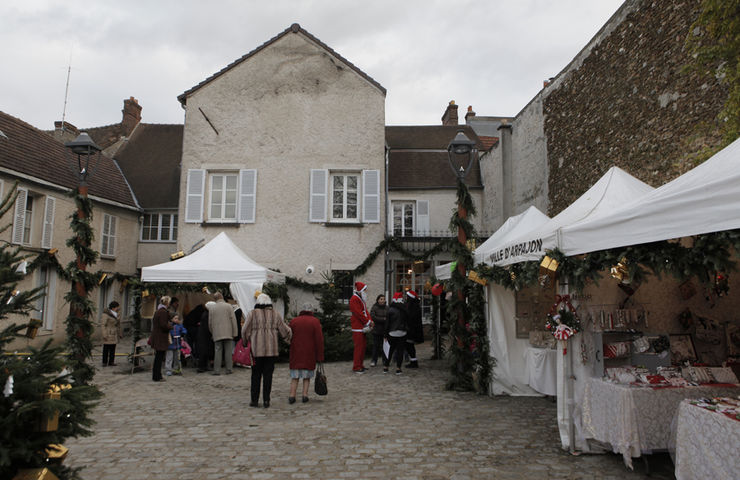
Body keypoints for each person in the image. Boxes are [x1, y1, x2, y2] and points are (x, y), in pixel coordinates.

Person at [242, 293, 292, 408]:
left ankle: (254, 400)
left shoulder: (252, 314)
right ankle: (266, 400)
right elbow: (285, 330)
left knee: (255, 375)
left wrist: (245, 342)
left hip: (256, 351)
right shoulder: (275, 314)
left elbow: (245, 330)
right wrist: (288, 340)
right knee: (268, 376)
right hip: (271, 350)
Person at [287, 303, 324, 404]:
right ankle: (304, 395)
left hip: (296, 351)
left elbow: (288, 335)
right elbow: (319, 340)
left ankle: (292, 395)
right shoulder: (315, 322)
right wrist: (320, 355)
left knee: (295, 376)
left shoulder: (294, 321)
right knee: (306, 376)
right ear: (311, 311)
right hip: (309, 352)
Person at [206, 292, 238, 375]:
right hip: (228, 332)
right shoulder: (228, 306)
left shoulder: (212, 308)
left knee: (217, 351)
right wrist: (235, 332)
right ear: (222, 297)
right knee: (228, 351)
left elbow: (210, 323)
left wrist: (212, 332)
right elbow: (233, 320)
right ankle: (229, 369)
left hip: (217, 333)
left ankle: (217, 370)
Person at [349, 281, 373, 373]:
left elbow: (366, 311)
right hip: (357, 326)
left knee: (362, 347)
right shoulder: (354, 299)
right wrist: (368, 322)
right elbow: (358, 313)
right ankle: (356, 366)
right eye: (365, 290)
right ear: (361, 291)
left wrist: (370, 321)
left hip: (362, 325)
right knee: (359, 347)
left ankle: (360, 364)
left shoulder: (360, 299)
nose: (366, 292)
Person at [383, 292, 408, 375]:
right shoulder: (405, 309)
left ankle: (386, 366)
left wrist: (385, 334)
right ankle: (398, 368)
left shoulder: (390, 309)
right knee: (400, 351)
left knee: (390, 350)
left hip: (392, 332)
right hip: (402, 332)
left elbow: (387, 324)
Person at [150, 296, 173, 382]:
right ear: (167, 303)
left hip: (158, 336)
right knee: (159, 357)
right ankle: (157, 376)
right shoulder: (162, 312)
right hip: (160, 337)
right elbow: (163, 325)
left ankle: (157, 375)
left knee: (158, 357)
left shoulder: (158, 311)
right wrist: (170, 327)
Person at [404, 290, 424, 368]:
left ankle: (414, 361)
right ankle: (413, 360)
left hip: (411, 329)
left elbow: (411, 318)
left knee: (409, 345)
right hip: (411, 329)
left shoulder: (413, 307)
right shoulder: (413, 306)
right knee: (409, 345)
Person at [101, 301, 122, 367]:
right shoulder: (106, 314)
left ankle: (111, 361)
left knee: (113, 348)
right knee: (106, 348)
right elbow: (103, 325)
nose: (117, 309)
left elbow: (118, 325)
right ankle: (104, 362)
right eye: (116, 307)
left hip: (114, 333)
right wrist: (104, 334)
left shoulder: (116, 314)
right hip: (108, 332)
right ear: (113, 307)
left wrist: (120, 333)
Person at [369, 294, 388, 367]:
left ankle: (384, 360)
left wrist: (385, 320)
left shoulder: (387, 308)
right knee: (376, 346)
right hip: (376, 330)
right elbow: (373, 317)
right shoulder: (374, 307)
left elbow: (389, 317)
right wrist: (383, 319)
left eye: (383, 299)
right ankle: (374, 360)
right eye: (381, 299)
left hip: (384, 330)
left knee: (384, 346)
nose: (382, 300)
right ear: (378, 300)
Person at [195, 306, 213, 373]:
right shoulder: (206, 315)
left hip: (203, 335)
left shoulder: (205, 314)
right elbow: (207, 327)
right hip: (204, 336)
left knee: (204, 351)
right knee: (203, 351)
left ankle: (203, 366)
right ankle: (201, 367)